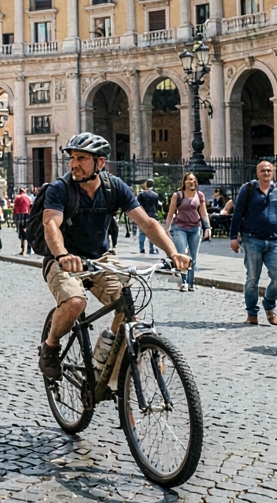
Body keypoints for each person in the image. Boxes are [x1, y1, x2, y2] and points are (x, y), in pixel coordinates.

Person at [37, 134, 192, 380]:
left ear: (100, 163)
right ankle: (51, 345)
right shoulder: (61, 188)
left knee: (128, 310)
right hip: (64, 259)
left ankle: (106, 371)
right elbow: (50, 224)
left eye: (81, 158)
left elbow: (148, 223)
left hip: (101, 258)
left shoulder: (114, 187)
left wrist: (173, 252)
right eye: (72, 158)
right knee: (76, 302)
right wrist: (63, 255)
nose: (73, 164)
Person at [229, 160, 277, 325]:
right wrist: (234, 237)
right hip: (252, 239)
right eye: (263, 170)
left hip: (274, 240)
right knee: (252, 279)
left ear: (273, 172)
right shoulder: (248, 189)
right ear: (257, 173)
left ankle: (269, 304)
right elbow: (237, 214)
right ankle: (252, 313)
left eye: (269, 170)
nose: (266, 173)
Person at [163, 173, 207, 292]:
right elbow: (171, 213)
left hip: (195, 228)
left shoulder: (200, 195)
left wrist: (208, 228)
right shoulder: (178, 195)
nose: (192, 182)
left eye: (193, 180)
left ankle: (191, 283)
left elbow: (203, 213)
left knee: (193, 257)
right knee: (182, 255)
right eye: (189, 180)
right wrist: (167, 229)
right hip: (179, 228)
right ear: (184, 182)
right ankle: (184, 282)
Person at [136, 181, 161, 255]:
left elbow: (138, 206)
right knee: (152, 233)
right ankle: (151, 248)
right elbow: (156, 206)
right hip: (153, 215)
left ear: (146, 185)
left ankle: (142, 248)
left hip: (143, 215)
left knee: (142, 233)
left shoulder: (141, 195)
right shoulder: (155, 195)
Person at [13, 187, 33, 255]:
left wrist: (14, 218)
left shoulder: (17, 197)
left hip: (18, 216)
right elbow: (30, 207)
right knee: (28, 232)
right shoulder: (28, 197)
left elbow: (14, 208)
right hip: (27, 215)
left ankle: (23, 249)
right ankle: (28, 249)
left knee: (21, 233)